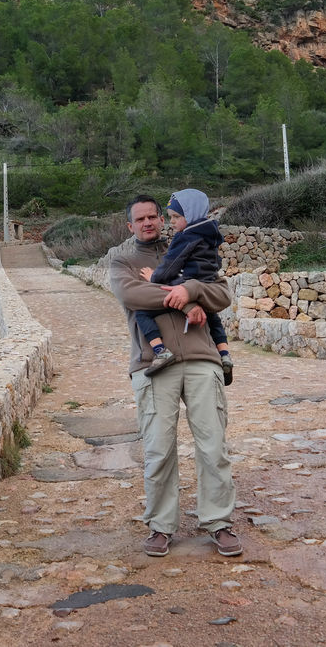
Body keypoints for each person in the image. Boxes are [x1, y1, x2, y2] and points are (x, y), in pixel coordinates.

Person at [108, 194, 240, 558]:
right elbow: (131, 294)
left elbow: (222, 292)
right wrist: (188, 298)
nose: (149, 222)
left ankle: (219, 523)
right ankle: (161, 527)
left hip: (201, 358)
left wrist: (193, 290)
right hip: (153, 362)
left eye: (154, 216)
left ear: (162, 219)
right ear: (130, 225)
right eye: (141, 219)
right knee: (158, 449)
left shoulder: (188, 245)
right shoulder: (122, 261)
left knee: (213, 445)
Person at [130, 189, 234, 384]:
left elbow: (171, 265)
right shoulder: (211, 234)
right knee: (212, 317)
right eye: (171, 217)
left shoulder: (185, 236)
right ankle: (225, 354)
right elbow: (217, 265)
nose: (173, 222)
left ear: (191, 214)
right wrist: (193, 303)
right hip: (208, 280)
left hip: (188, 279)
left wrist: (155, 277)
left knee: (142, 313)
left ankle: (160, 351)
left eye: (176, 217)